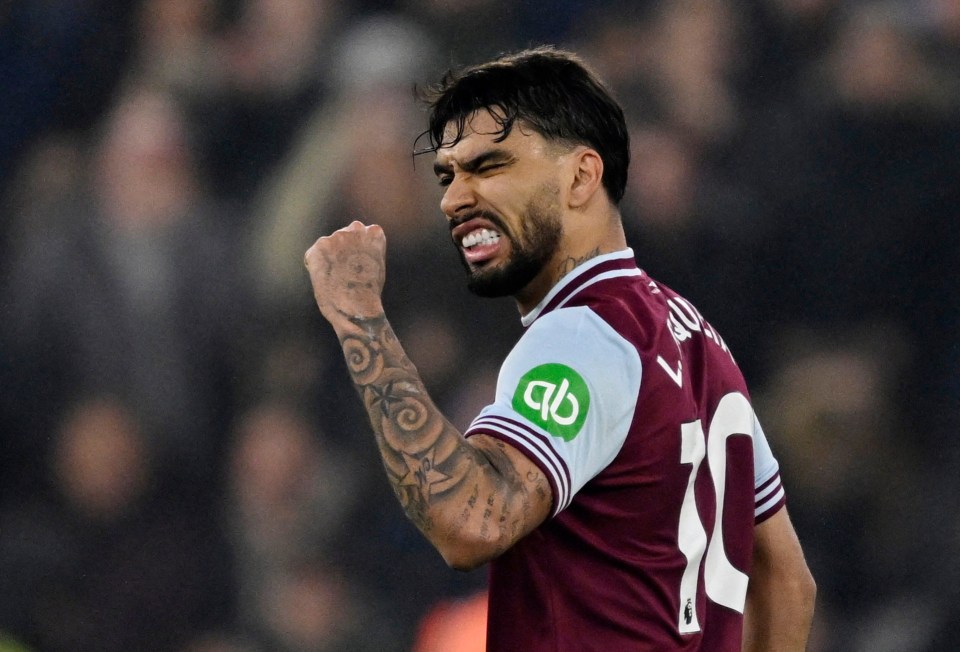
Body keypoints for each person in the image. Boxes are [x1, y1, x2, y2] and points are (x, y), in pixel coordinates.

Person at [304, 46, 816, 651]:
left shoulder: (581, 337)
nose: (454, 199)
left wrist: (359, 316)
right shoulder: (696, 336)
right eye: (449, 175)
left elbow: (471, 521)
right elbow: (788, 582)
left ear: (581, 176)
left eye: (490, 167)